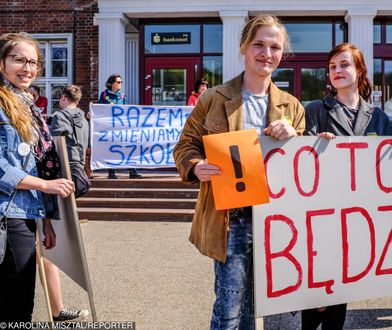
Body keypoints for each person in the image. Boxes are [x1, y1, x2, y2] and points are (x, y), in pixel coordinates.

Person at [173, 15, 305, 329]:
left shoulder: (293, 106)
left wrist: (296, 134)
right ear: (244, 48)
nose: (266, 53)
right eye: (258, 44)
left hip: (275, 219)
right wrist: (196, 165)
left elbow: (306, 162)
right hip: (230, 218)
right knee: (229, 308)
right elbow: (184, 147)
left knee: (257, 307)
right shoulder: (213, 98)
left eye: (275, 47)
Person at [302, 43, 392, 330]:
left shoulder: (379, 118)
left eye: (344, 65)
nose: (337, 71)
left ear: (360, 70)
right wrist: (316, 146)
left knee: (341, 291)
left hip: (360, 219)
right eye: (332, 67)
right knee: (319, 296)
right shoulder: (316, 109)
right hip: (323, 216)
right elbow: (299, 160)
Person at [0, 32, 74, 322]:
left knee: (17, 302)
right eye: (18, 59)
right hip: (6, 214)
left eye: (33, 62)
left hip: (23, 213)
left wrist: (44, 219)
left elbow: (38, 162)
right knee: (15, 306)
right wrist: (45, 185)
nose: (27, 68)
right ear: (2, 62)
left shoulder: (25, 105)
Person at [48, 84, 90, 322]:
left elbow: (55, 146)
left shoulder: (59, 116)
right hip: (79, 170)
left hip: (64, 170)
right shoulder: (84, 119)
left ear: (63, 98)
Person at [98, 74, 141, 179]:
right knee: (111, 149)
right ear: (111, 84)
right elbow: (99, 109)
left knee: (128, 147)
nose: (120, 84)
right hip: (110, 127)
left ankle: (133, 171)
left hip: (122, 127)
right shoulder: (104, 95)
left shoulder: (122, 96)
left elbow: (126, 110)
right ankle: (111, 172)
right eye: (118, 82)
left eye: (121, 82)